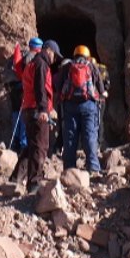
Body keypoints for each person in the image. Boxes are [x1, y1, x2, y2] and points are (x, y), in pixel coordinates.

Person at [11, 39, 63, 193]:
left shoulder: (32, 63)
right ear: (49, 50)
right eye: (55, 55)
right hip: (36, 109)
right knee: (41, 146)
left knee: (32, 145)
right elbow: (40, 87)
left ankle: (15, 179)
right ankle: (34, 183)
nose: (54, 60)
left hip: (28, 108)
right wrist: (43, 110)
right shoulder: (41, 64)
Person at [60, 46, 105, 174]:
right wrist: (102, 93)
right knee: (90, 135)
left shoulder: (67, 67)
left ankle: (69, 169)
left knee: (70, 137)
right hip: (89, 105)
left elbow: (59, 85)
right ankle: (93, 167)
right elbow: (100, 87)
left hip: (70, 106)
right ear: (87, 55)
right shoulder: (91, 66)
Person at [5, 37, 42, 153]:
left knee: (16, 113)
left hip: (13, 88)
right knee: (24, 115)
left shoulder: (19, 55)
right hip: (23, 88)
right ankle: (23, 143)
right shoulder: (32, 56)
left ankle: (15, 140)